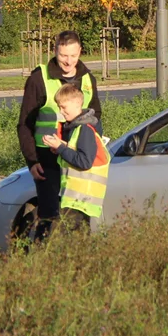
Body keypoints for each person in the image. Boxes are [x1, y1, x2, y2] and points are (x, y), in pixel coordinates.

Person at [18, 30, 102, 241]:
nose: (68, 61)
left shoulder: (87, 78)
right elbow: (25, 124)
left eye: (73, 55)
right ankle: (44, 262)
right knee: (50, 217)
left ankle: (76, 264)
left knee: (78, 219)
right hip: (48, 160)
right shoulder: (40, 78)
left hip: (77, 158)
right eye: (63, 55)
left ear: (80, 51)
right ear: (55, 50)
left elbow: (96, 115)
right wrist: (32, 161)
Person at [41, 83, 111, 233]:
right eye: (59, 107)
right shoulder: (78, 127)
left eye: (63, 107)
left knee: (68, 239)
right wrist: (60, 146)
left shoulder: (84, 128)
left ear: (77, 103)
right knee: (77, 242)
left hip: (80, 199)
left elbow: (84, 161)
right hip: (78, 199)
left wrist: (61, 148)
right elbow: (76, 151)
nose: (61, 111)